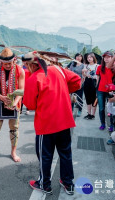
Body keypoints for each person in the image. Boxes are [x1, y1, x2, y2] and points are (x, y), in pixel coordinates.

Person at [22, 51, 81, 195]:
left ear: (31, 64)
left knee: (45, 156)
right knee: (65, 153)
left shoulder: (34, 78)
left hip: (46, 123)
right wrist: (64, 90)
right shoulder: (59, 70)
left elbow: (30, 104)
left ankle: (44, 184)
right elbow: (77, 80)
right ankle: (68, 183)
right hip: (64, 120)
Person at [0, 48, 25, 165]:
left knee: (14, 129)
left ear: (14, 61)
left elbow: (21, 90)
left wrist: (14, 102)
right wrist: (2, 98)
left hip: (14, 104)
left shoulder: (20, 70)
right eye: (5, 64)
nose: (7, 66)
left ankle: (13, 152)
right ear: (1, 62)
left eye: (9, 63)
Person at [96, 51, 115, 130]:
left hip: (110, 91)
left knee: (110, 108)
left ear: (112, 58)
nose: (106, 58)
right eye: (105, 57)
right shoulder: (100, 67)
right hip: (100, 90)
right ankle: (102, 123)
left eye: (108, 57)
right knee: (101, 108)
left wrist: (112, 86)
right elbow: (98, 78)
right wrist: (96, 88)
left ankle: (112, 125)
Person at [82, 53, 98, 119]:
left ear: (93, 58)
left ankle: (93, 115)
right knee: (87, 98)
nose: (89, 58)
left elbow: (98, 76)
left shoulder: (97, 66)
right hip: (87, 82)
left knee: (94, 98)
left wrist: (92, 76)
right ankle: (89, 113)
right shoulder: (86, 66)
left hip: (94, 82)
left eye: (91, 57)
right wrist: (83, 72)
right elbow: (83, 76)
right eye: (88, 57)